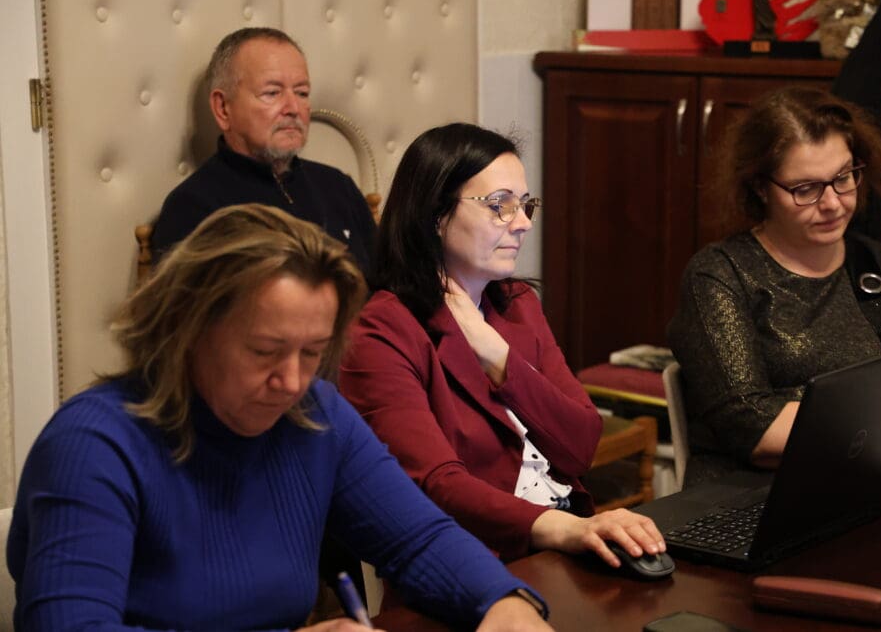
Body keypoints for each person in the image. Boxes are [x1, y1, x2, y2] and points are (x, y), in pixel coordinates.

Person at [8, 204, 551, 631]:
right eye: (265, 351)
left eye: (312, 352)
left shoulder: (316, 415)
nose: (292, 382)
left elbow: (419, 540)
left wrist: (505, 600)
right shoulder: (94, 444)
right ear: (187, 331)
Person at [338, 123, 666, 570]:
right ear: (435, 214)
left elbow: (580, 445)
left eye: (525, 204)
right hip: (476, 558)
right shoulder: (381, 331)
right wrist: (565, 529)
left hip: (559, 532)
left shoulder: (515, 302)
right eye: (500, 205)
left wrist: (498, 357)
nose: (524, 222)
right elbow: (436, 484)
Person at [666, 87, 881, 487]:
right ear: (760, 187)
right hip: (749, 496)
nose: (832, 204)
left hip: (878, 482)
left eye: (843, 178)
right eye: (806, 189)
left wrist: (818, 417)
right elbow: (753, 426)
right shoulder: (720, 274)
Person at [150, 27, 375, 271]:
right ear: (223, 108)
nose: (293, 108)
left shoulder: (337, 186)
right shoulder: (194, 207)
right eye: (272, 93)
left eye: (302, 93)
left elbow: (384, 284)